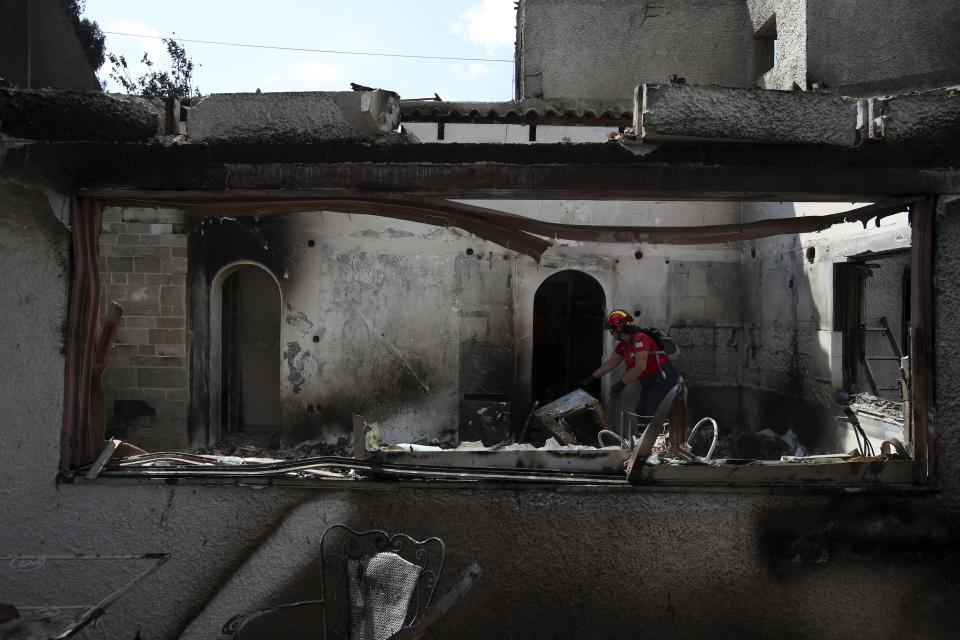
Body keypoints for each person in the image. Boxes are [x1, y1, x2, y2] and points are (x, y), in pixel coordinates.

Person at [580, 309, 680, 428]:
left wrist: (621, 384)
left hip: (662, 378)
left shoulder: (640, 339)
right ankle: (644, 440)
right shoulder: (623, 345)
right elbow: (611, 363)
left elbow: (640, 367)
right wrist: (592, 377)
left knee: (650, 409)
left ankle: (654, 442)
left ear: (619, 328)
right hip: (648, 381)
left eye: (612, 331)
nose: (611, 334)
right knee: (641, 410)